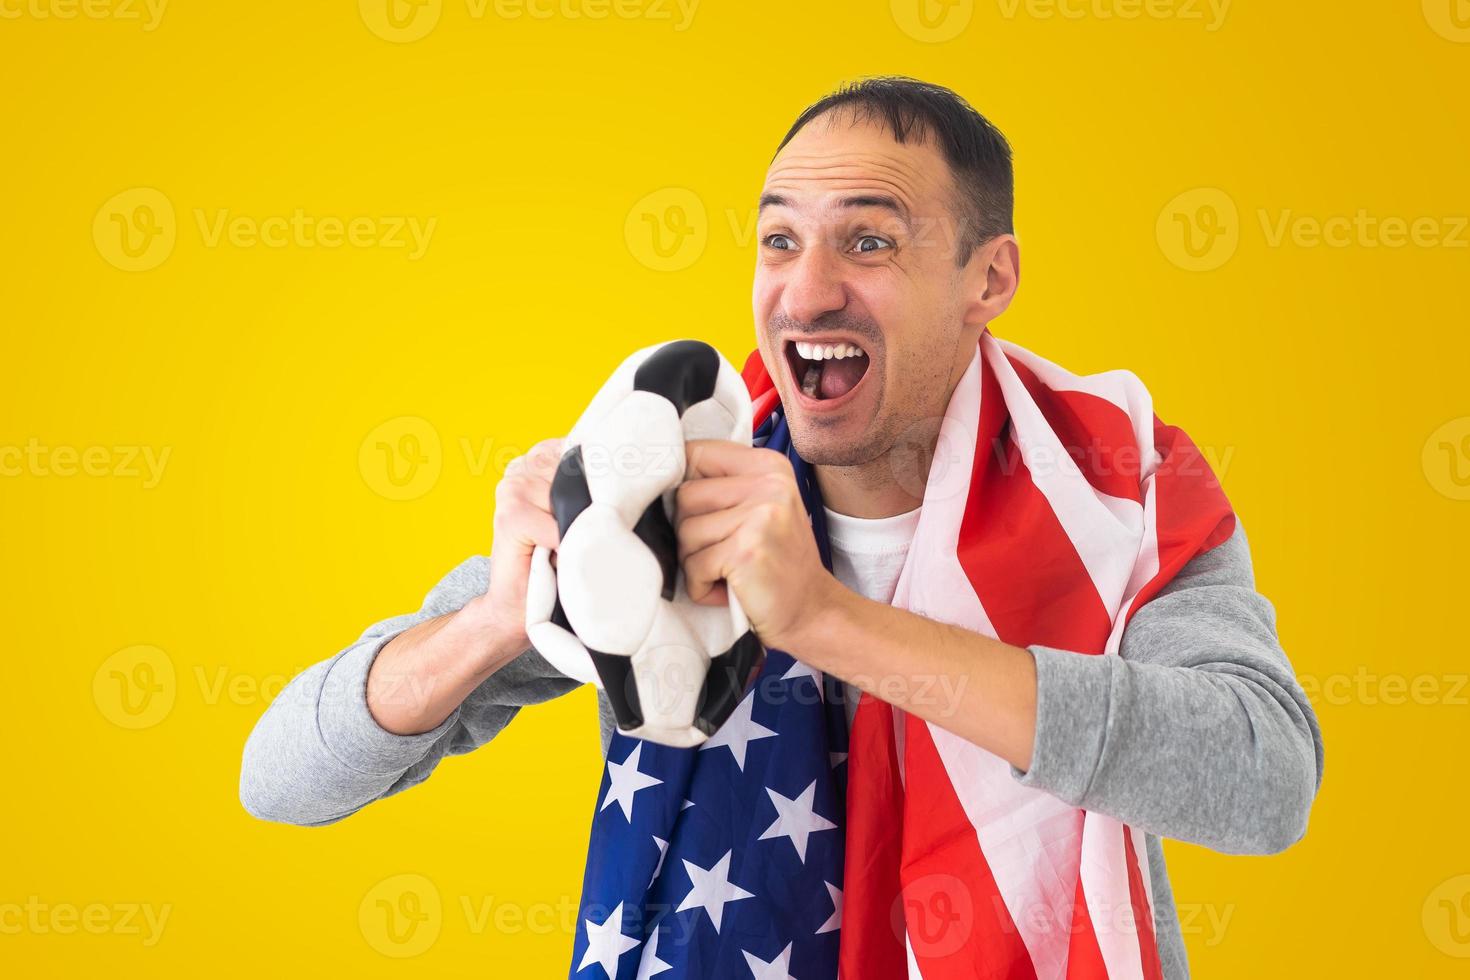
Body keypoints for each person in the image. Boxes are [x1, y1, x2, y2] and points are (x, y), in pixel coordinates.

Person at [240, 77, 1323, 979]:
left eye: (868, 242)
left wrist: (823, 617)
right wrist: (498, 613)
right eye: (778, 240)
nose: (806, 295)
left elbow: (1263, 778)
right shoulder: (670, 478)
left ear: (988, 278)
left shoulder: (1117, 486)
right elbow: (279, 777)